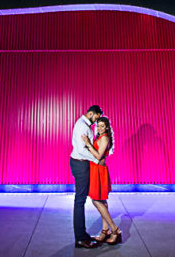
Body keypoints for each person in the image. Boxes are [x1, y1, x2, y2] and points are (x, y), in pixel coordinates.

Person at [83, 116, 122, 245]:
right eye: (98, 125)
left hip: (99, 171)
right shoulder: (100, 137)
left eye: (102, 126)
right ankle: (105, 231)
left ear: (106, 127)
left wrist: (88, 144)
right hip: (96, 169)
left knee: (96, 200)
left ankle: (115, 229)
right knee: (103, 202)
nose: (99, 128)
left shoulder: (104, 138)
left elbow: (99, 156)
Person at [70, 105, 104, 248]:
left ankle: (82, 235)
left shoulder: (83, 124)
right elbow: (80, 150)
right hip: (80, 164)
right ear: (91, 113)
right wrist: (97, 160)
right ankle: (80, 238)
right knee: (80, 200)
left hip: (81, 163)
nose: (96, 121)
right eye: (96, 117)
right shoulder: (82, 126)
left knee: (81, 199)